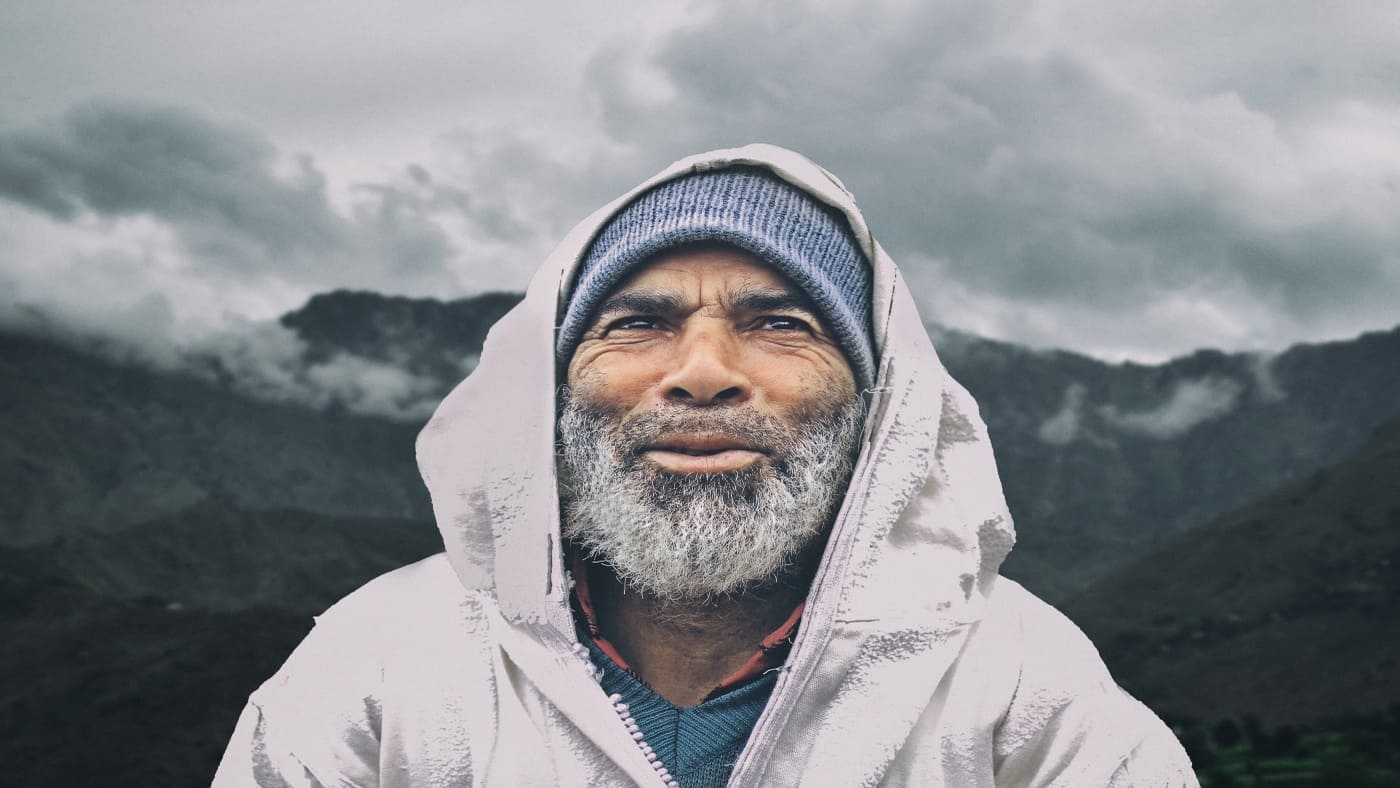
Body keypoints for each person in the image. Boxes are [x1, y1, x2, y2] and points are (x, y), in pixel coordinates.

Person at [214, 144, 1197, 787]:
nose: (700, 374)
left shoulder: (1017, 682)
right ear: (550, 388)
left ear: (874, 404)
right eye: (637, 321)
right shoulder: (380, 668)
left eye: (779, 322)